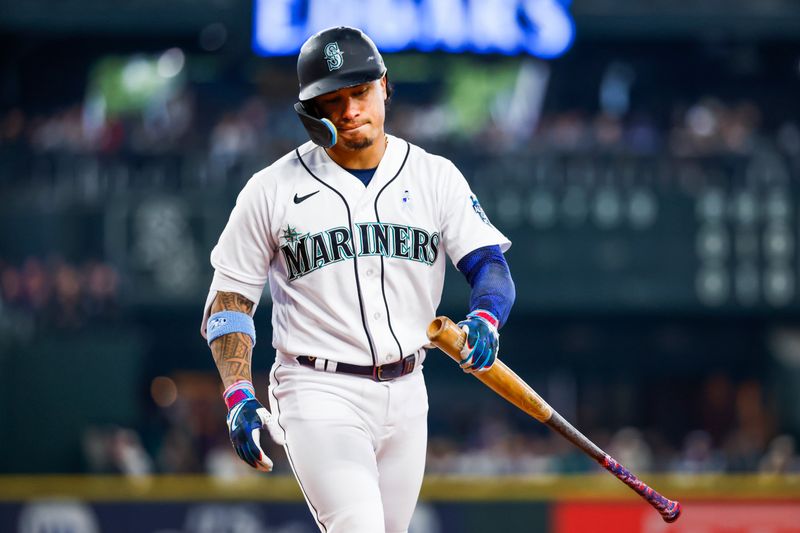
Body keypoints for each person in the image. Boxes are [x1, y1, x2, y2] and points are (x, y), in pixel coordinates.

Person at [201, 26, 515, 533]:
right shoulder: (270, 189)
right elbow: (229, 301)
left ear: (385, 86)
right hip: (316, 388)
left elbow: (490, 267)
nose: (349, 110)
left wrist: (486, 318)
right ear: (310, 113)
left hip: (409, 390)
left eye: (361, 92)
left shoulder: (434, 176)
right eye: (333, 100)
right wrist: (238, 394)